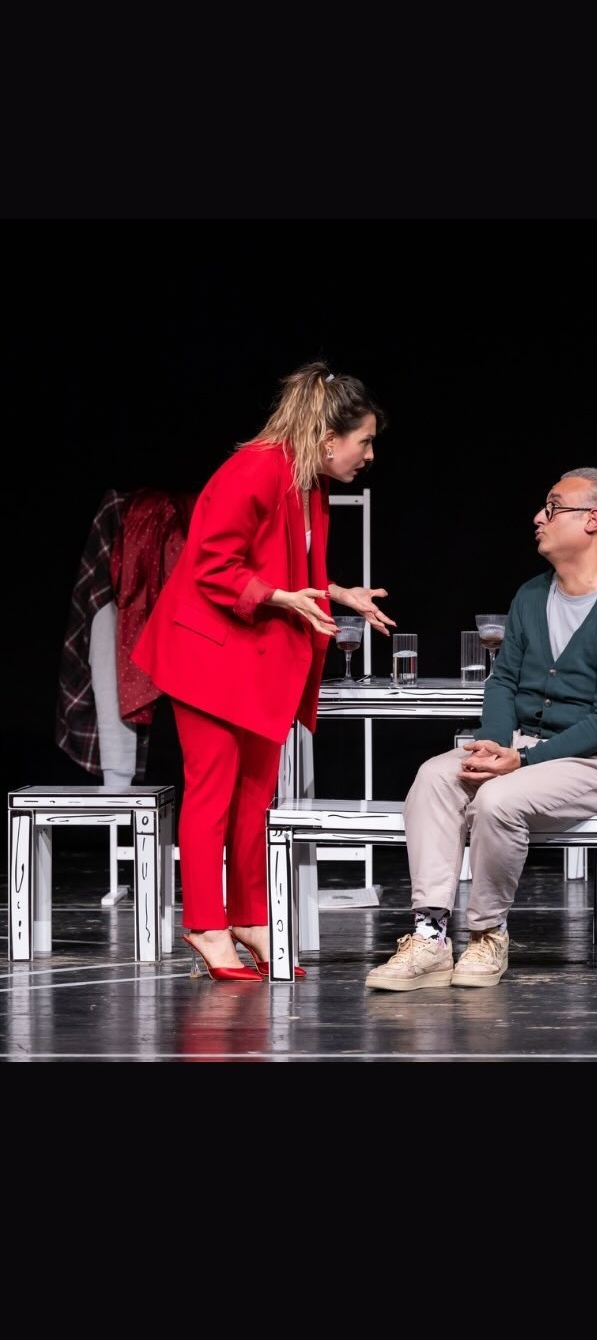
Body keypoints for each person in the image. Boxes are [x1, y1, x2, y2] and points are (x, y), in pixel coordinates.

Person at [131, 361, 395, 981]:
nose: (369, 455)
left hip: (252, 659)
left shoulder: (307, 482)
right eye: (364, 441)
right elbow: (212, 564)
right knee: (213, 791)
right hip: (206, 656)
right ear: (329, 438)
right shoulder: (255, 468)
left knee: (255, 796)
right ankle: (205, 923)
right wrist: (281, 598)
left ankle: (249, 916)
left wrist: (337, 592)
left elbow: (284, 564)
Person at [366, 466, 597, 991]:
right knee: (435, 777)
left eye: (553, 507)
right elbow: (504, 679)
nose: (538, 518)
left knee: (499, 799)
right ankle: (431, 935)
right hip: (528, 750)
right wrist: (493, 743)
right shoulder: (531, 595)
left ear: (593, 520)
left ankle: (488, 933)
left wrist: (522, 761)